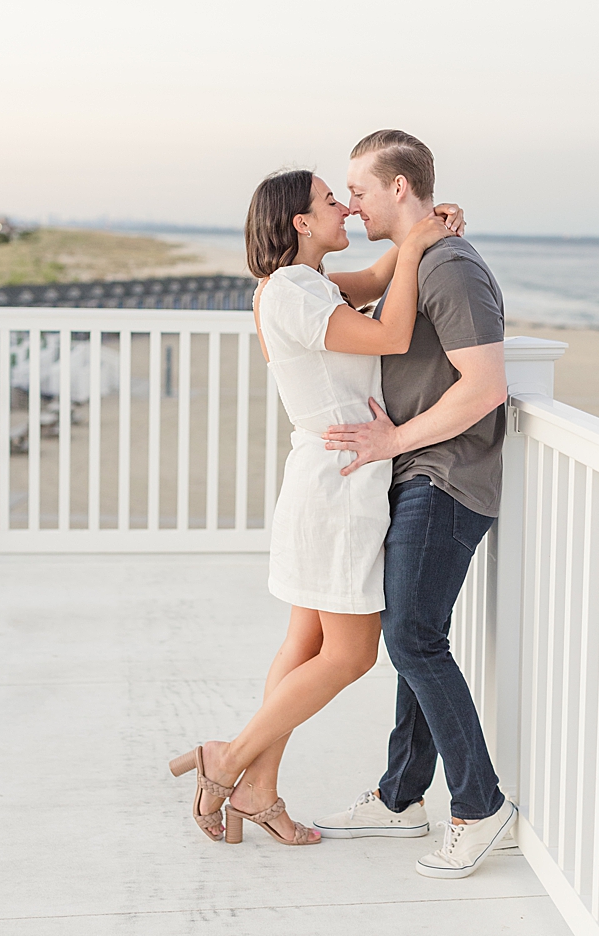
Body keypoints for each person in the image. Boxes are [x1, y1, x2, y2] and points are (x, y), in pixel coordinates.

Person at [169, 168, 459, 847]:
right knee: (352, 654)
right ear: (300, 222)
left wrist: (420, 230)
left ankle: (259, 787)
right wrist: (417, 250)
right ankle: (230, 759)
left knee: (304, 644)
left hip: (325, 481)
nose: (346, 210)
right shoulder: (297, 292)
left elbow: (379, 275)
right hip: (339, 487)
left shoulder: (300, 286)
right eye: (332, 201)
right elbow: (390, 334)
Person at [311, 130, 516, 879]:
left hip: (448, 477)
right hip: (419, 473)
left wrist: (392, 440)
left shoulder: (451, 268)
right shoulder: (418, 256)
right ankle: (401, 799)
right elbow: (348, 288)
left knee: (412, 638)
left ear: (400, 188)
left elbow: (484, 387)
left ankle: (480, 805)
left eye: (358, 189)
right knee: (414, 637)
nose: (351, 201)